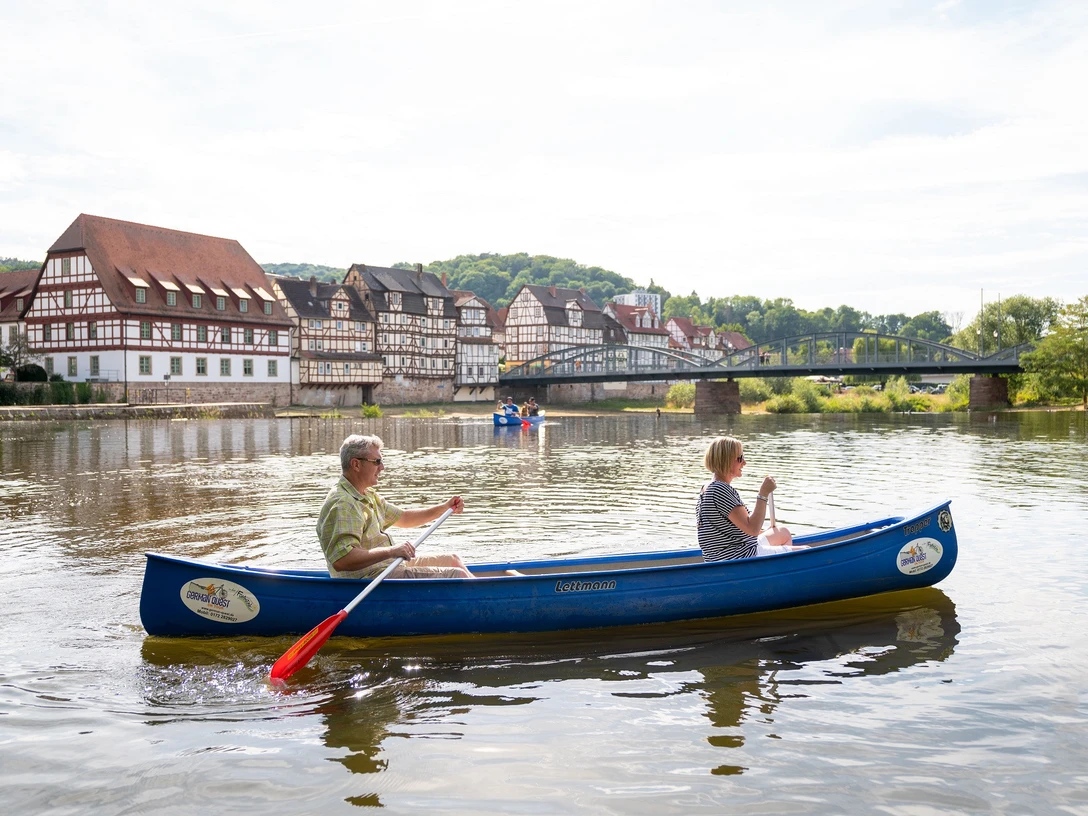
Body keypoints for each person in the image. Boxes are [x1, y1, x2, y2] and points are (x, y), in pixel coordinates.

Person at [317, 434, 475, 579]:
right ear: (356, 464)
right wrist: (391, 551)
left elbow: (405, 518)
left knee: (452, 560)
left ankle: (485, 598)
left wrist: (444, 508)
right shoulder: (343, 503)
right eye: (377, 462)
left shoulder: (367, 495)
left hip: (387, 567)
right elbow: (342, 560)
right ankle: (487, 604)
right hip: (370, 580)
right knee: (457, 575)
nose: (382, 467)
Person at [695, 436, 804, 561]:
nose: (744, 462)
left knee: (782, 533)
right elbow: (752, 528)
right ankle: (776, 574)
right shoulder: (720, 490)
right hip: (739, 556)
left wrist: (761, 531)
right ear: (726, 460)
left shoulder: (708, 488)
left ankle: (777, 570)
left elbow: (731, 527)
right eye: (740, 458)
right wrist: (763, 493)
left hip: (728, 553)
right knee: (806, 551)